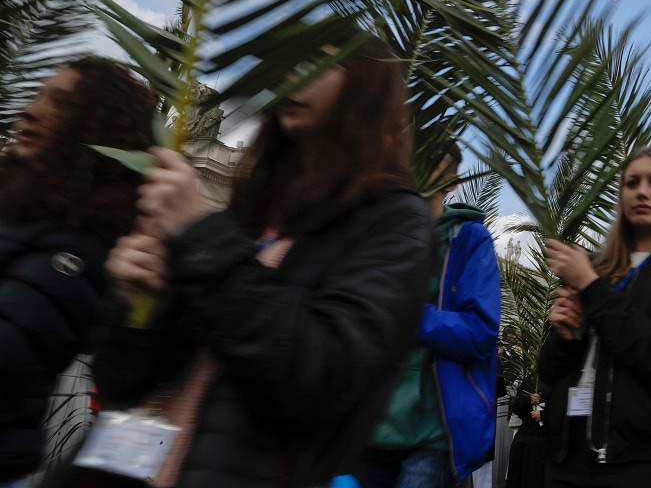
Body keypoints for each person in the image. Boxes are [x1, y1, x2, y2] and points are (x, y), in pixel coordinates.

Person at [60, 36, 435, 487]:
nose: (293, 76)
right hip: (127, 463)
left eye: (320, 60)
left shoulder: (394, 220)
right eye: (288, 63)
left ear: (367, 89)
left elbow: (317, 384)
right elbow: (122, 382)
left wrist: (201, 236)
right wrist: (141, 309)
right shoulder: (253, 215)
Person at [0, 59, 155, 484]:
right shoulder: (20, 212)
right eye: (39, 94)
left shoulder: (80, 248)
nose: (31, 110)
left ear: (97, 133)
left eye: (62, 103)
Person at [538, 147, 651, 488]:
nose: (642, 191)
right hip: (567, 456)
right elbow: (548, 371)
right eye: (632, 182)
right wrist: (565, 334)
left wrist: (592, 288)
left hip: (642, 461)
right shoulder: (595, 268)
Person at [361, 141, 501, 488]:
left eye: (431, 158)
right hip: (366, 428)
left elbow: (480, 331)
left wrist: (410, 315)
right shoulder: (375, 237)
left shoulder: (468, 238)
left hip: (431, 435)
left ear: (452, 179)